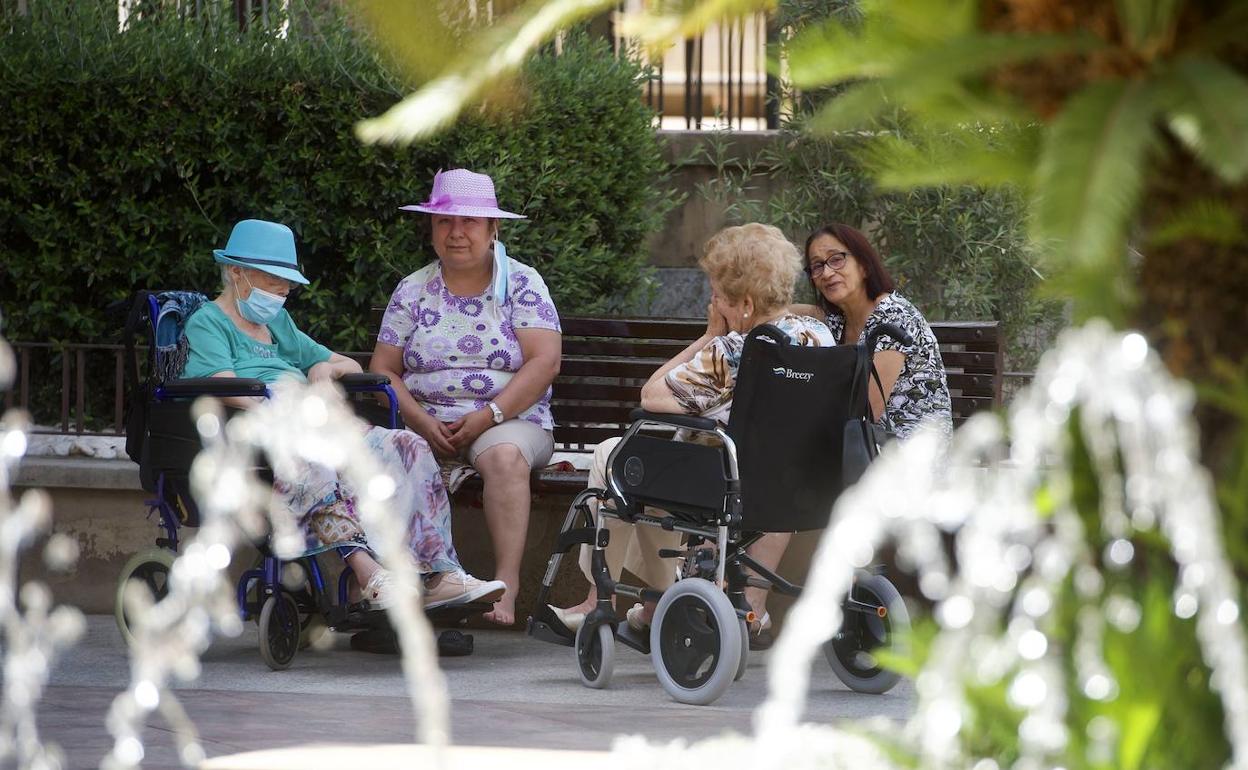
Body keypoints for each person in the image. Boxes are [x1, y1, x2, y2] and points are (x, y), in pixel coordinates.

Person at [182, 218, 505, 612]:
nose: (284, 290)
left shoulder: (276, 323)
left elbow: (350, 365)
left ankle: (438, 574)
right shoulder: (208, 322)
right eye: (273, 280)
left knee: (407, 445)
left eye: (287, 282)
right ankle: (368, 577)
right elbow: (221, 386)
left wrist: (325, 369)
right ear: (236, 272)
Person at [550, 223, 834, 647]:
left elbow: (651, 395)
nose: (712, 301)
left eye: (717, 293)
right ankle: (653, 605)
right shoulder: (818, 337)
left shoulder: (732, 351)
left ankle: (603, 599)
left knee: (615, 457)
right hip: (791, 482)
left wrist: (709, 337)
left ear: (745, 303)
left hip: (723, 480)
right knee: (650, 476)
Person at [370, 169, 562, 626]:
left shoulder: (521, 283)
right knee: (390, 454)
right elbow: (382, 370)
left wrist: (489, 415)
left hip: (511, 419)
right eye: (444, 222)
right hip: (427, 422)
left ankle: (506, 590)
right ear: (432, 229)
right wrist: (418, 421)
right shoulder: (413, 289)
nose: (456, 233)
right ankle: (418, 586)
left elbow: (544, 361)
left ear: (493, 228)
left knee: (504, 459)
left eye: (470, 222)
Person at [793, 223, 952, 440]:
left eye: (836, 259)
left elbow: (867, 411)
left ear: (864, 265)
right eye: (817, 266)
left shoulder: (895, 317)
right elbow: (792, 311)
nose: (827, 272)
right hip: (864, 444)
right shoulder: (838, 320)